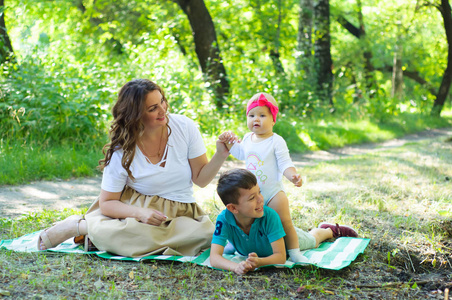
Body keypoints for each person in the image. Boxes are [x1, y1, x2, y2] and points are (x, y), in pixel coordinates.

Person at [37, 79, 231, 257]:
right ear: (136, 115)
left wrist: (220, 154)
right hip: (137, 210)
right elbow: (107, 203)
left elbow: (201, 179)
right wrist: (140, 214)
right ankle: (79, 226)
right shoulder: (122, 149)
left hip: (181, 212)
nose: (163, 110)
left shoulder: (185, 127)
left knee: (206, 237)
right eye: (153, 108)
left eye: (162, 101)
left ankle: (101, 236)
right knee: (141, 234)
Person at [218, 92, 358, 262]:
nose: (256, 119)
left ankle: (296, 250)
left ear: (273, 120)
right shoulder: (247, 138)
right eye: (252, 115)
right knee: (242, 217)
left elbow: (284, 162)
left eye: (262, 115)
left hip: (272, 193)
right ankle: (237, 243)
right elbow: (240, 153)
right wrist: (229, 142)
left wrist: (292, 176)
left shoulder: (276, 141)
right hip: (250, 193)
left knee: (285, 222)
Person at [210, 169, 358, 275]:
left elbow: (280, 257)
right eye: (252, 198)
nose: (261, 199)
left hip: (288, 241)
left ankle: (328, 230)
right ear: (233, 208)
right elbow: (214, 257)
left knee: (313, 240)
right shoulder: (223, 219)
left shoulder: (269, 216)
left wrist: (259, 262)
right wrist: (236, 267)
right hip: (259, 244)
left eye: (259, 192)